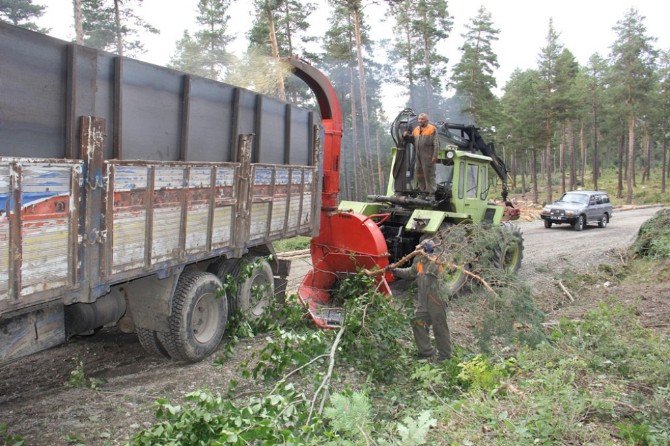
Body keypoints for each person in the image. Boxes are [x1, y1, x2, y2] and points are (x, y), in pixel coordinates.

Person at [391, 240, 452, 361]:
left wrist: (429, 257)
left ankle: (445, 356)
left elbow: (440, 270)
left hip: (436, 300)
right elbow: (411, 273)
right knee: (417, 322)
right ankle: (427, 352)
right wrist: (395, 270)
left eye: (420, 249)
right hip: (423, 300)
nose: (417, 251)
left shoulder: (436, 262)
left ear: (426, 250)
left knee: (439, 327)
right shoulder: (418, 260)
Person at [404, 113, 440, 193]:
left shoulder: (432, 129)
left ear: (426, 120)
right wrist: (406, 136)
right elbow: (412, 140)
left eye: (422, 119)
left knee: (429, 175)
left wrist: (435, 156)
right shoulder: (416, 129)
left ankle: (431, 194)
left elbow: (436, 144)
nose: (420, 121)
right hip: (418, 156)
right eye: (419, 119)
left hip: (428, 156)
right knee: (420, 175)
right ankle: (423, 192)